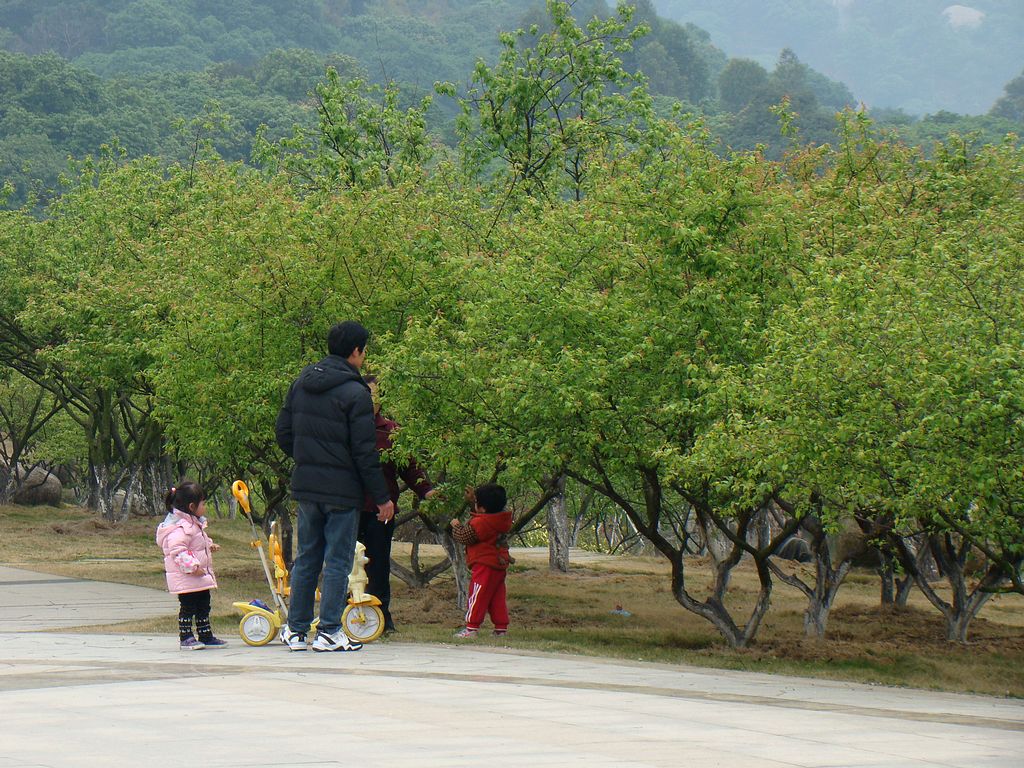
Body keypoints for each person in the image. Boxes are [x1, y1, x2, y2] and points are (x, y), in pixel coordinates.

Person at [275, 320, 394, 652]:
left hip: (308, 487)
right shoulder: (356, 392)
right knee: (339, 560)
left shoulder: (301, 383)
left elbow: (283, 432)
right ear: (356, 351)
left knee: (307, 557)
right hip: (342, 491)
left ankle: (296, 630)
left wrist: (307, 458)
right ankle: (328, 630)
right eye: (364, 350)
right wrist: (382, 497)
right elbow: (363, 452)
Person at [359, 375, 436, 634]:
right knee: (347, 564)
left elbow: (409, 467)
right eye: (364, 394)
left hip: (382, 510)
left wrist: (426, 490)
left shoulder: (391, 431)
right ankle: (345, 615)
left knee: (378, 563)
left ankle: (380, 617)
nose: (370, 400)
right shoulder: (345, 427)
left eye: (373, 395)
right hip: (348, 508)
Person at [156, 481, 226, 650]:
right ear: (192, 506)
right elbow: (178, 551)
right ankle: (186, 636)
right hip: (188, 578)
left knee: (204, 605)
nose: (205, 506)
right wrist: (193, 566)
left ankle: (205, 634)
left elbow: (197, 541)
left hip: (200, 577)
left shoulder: (193, 524)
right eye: (203, 503)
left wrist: (208, 544)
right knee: (188, 607)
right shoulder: (181, 528)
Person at [449, 483, 514, 638]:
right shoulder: (501, 519)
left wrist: (456, 526)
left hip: (484, 564)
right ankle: (500, 628)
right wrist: (473, 503)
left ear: (483, 507)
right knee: (497, 596)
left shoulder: (481, 523)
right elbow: (483, 515)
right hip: (499, 564)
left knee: (477, 594)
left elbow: (466, 537)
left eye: (477, 502)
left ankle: (471, 627)